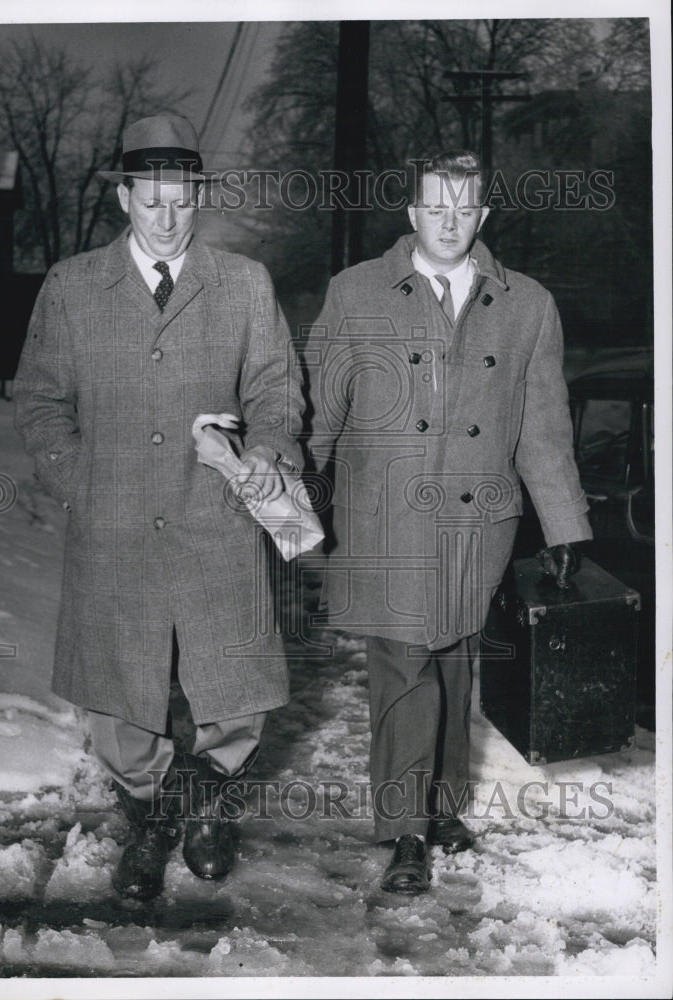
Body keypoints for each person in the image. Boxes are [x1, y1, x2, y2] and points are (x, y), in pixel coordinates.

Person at [13, 114, 304, 901]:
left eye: (182, 201)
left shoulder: (243, 284)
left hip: (216, 516)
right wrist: (83, 483)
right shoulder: (71, 287)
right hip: (111, 525)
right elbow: (40, 405)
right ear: (123, 197)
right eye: (152, 201)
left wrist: (264, 462)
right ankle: (146, 813)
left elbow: (277, 394)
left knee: (233, 683)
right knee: (121, 694)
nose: (168, 218)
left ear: (198, 196)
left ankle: (205, 806)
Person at [305, 150, 592, 895]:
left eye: (463, 208)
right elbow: (319, 408)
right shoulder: (356, 292)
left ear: (482, 216)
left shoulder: (526, 303)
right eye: (435, 206)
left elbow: (541, 426)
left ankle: (441, 804)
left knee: (455, 659)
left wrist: (564, 526)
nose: (448, 221)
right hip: (383, 519)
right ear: (411, 213)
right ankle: (405, 830)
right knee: (404, 666)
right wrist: (295, 483)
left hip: (478, 518)